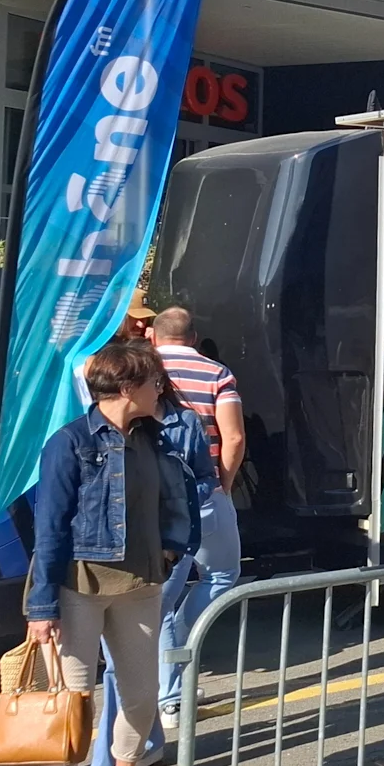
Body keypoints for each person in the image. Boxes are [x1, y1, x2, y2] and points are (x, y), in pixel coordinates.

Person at [24, 344, 199, 766]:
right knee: (70, 715)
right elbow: (50, 527)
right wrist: (41, 606)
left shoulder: (153, 437)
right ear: (127, 389)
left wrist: (171, 549)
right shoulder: (70, 444)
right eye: (153, 383)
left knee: (143, 695)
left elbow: (174, 499)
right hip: (78, 588)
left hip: (141, 583)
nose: (160, 391)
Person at [144, 307, 246, 731]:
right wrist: (223, 481)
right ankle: (181, 651)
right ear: (194, 336)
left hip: (147, 492)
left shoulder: (140, 370)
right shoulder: (217, 374)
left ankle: (168, 696)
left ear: (153, 336)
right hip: (202, 491)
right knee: (222, 573)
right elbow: (234, 435)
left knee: (160, 598)